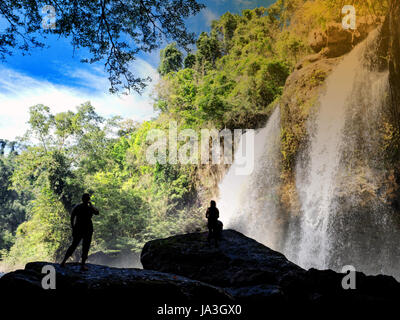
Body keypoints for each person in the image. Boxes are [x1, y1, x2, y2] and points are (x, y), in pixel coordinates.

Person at [60, 193, 99, 271]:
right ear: (83, 199)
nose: (87, 200)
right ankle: (65, 261)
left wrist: (91, 205)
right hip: (80, 228)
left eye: (88, 198)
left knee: (85, 246)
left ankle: (82, 264)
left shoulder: (89, 207)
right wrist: (73, 227)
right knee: (75, 245)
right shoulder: (78, 207)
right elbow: (72, 217)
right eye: (86, 198)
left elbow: (97, 212)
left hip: (86, 229)